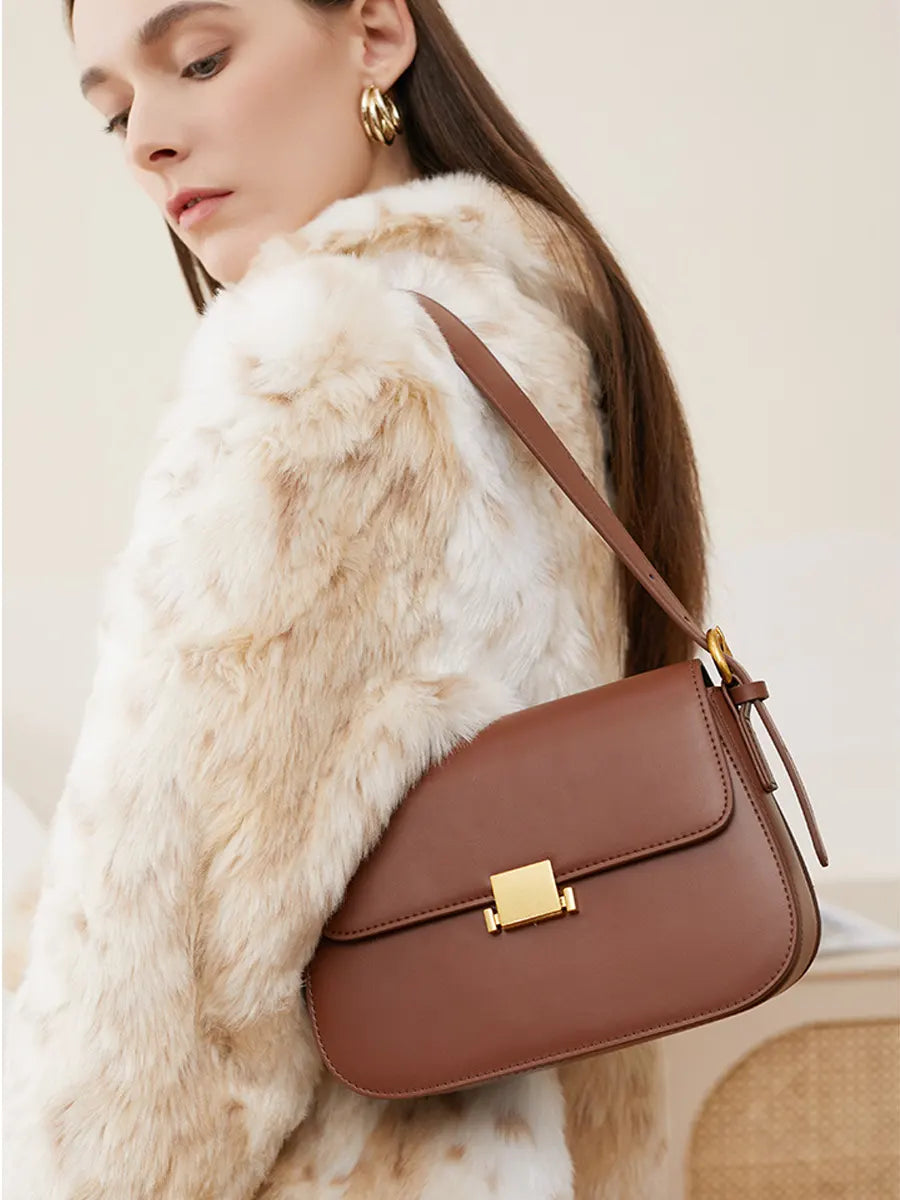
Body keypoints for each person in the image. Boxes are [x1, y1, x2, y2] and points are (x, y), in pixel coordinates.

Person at [3, 0, 710, 1196]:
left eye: (200, 60)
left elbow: (175, 976)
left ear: (376, 34)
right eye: (115, 110)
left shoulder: (323, 359)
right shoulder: (530, 328)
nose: (147, 140)